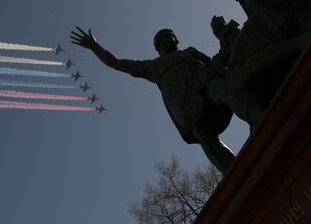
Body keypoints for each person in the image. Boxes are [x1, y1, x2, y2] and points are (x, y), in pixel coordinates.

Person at [70, 27, 267, 173]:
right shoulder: (154, 67)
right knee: (205, 137)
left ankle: (264, 119)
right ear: (158, 44)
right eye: (166, 36)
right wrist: (94, 46)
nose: (171, 38)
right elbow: (118, 64)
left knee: (230, 93)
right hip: (190, 110)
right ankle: (237, 174)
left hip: (208, 84)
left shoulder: (189, 52)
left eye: (172, 36)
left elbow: (216, 65)